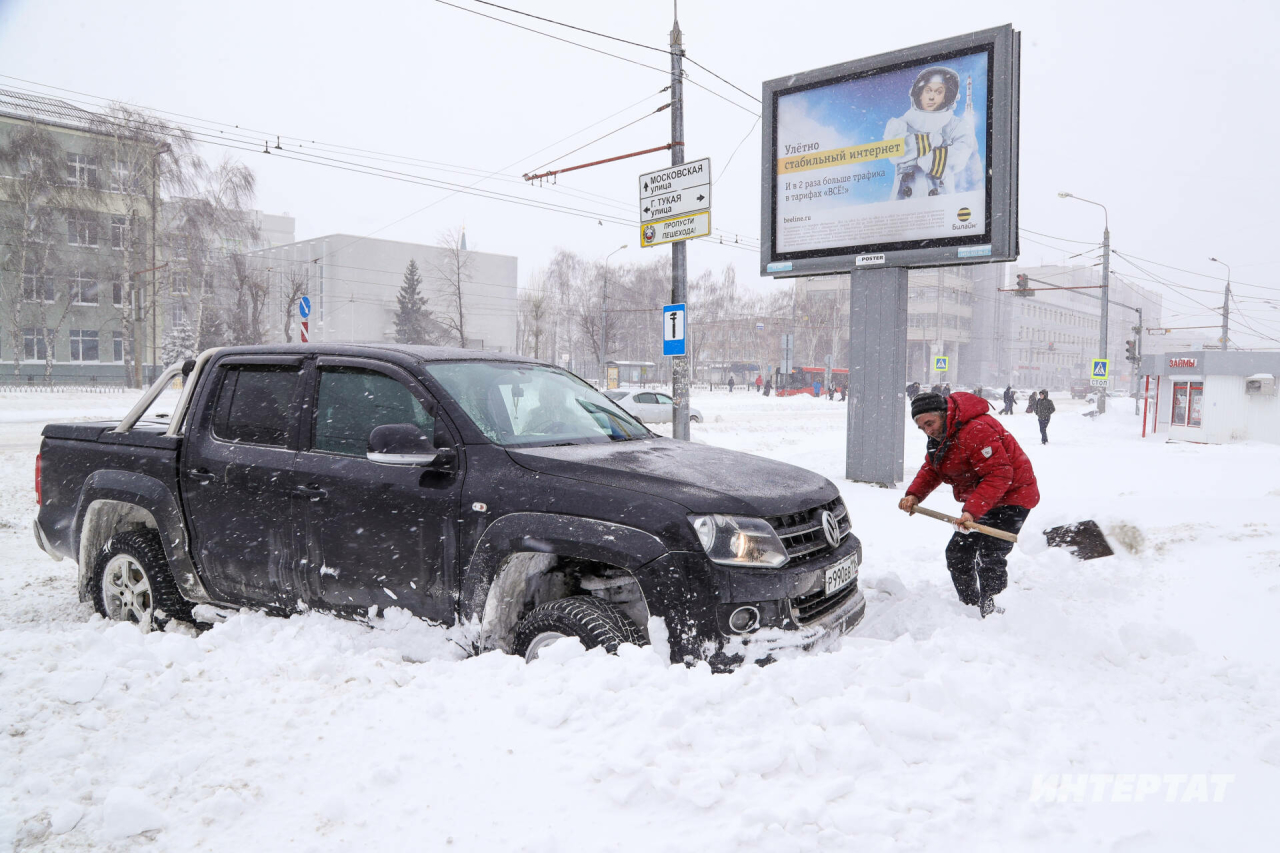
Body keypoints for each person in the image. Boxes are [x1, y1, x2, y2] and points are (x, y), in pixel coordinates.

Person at [897, 392, 1039, 617]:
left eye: (929, 423)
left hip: (1013, 496)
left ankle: (996, 614)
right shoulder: (941, 436)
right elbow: (932, 468)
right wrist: (914, 495)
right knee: (958, 553)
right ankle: (970, 607)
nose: (927, 431)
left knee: (990, 555)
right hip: (983, 501)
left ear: (944, 415)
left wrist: (971, 511)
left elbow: (999, 475)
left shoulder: (976, 430)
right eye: (922, 427)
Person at [884, 67, 982, 201]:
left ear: (945, 97)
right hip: (903, 205)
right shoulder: (900, 123)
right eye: (928, 90)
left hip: (940, 204)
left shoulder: (957, 126)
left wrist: (923, 159)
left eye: (938, 92)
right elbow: (894, 151)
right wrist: (932, 141)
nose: (931, 96)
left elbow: (960, 156)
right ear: (919, 93)